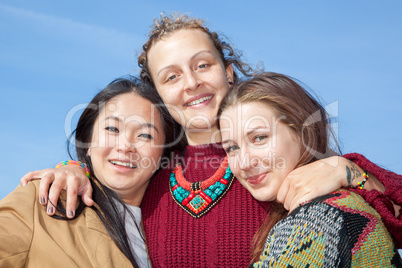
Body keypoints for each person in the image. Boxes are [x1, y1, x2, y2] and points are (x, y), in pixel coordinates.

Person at [20, 14, 401, 267]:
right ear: (158, 95)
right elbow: (112, 167)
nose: (191, 82)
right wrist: (74, 169)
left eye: (202, 65)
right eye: (171, 76)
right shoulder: (151, 170)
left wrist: (347, 170)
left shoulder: (274, 158)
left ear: (229, 73)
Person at [218, 72, 402, 267]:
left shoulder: (315, 221)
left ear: (303, 132)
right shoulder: (338, 203)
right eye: (232, 148)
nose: (245, 163)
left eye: (259, 138)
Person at [0, 77, 178, 267]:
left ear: (163, 154)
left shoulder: (173, 232)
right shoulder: (41, 198)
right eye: (112, 129)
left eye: (145, 135)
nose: (125, 146)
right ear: (88, 143)